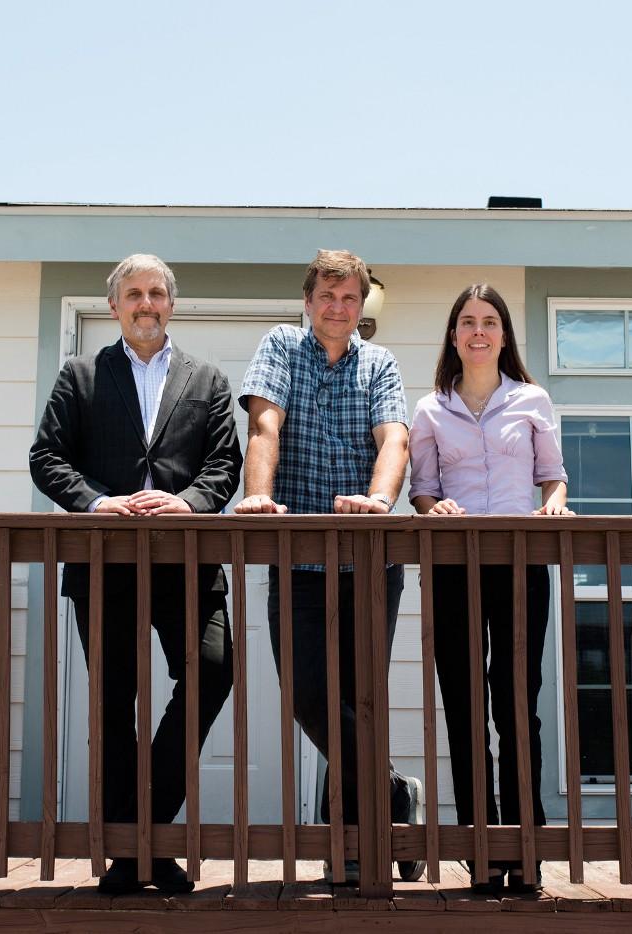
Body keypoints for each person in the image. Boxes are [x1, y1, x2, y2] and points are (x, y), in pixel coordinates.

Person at [29, 253, 241, 894]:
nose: (145, 304)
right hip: (106, 564)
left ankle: (144, 826)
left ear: (170, 304)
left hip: (187, 565)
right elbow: (46, 457)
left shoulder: (208, 379)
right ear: (115, 306)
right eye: (132, 295)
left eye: (155, 293)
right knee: (113, 702)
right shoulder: (82, 375)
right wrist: (97, 501)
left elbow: (224, 465)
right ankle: (131, 856)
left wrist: (186, 503)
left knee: (213, 671)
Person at [234, 249, 424, 884]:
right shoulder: (282, 348)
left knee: (360, 702)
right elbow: (266, 425)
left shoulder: (380, 363)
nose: (339, 308)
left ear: (361, 304)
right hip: (299, 563)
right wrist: (257, 495)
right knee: (310, 699)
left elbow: (393, 439)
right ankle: (396, 796)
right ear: (309, 299)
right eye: (328, 296)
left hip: (370, 563)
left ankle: (359, 845)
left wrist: (378, 502)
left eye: (351, 298)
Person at [407, 283, 570, 895]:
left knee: (514, 705)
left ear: (504, 335)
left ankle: (523, 843)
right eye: (468, 322)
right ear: (454, 335)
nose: (479, 332)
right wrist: (433, 507)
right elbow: (420, 489)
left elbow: (552, 479)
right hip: (452, 569)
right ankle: (481, 845)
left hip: (520, 565)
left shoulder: (532, 400)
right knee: (465, 708)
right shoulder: (428, 410)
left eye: (490, 322)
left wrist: (552, 508)